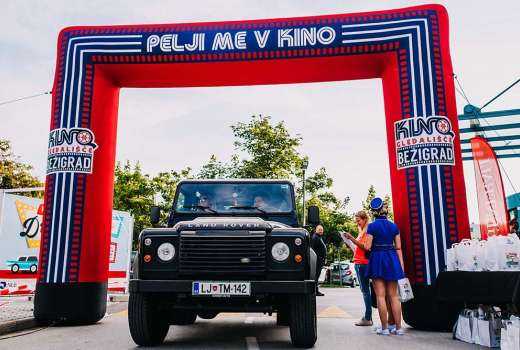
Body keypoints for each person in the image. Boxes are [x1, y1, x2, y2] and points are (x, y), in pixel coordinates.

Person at [364, 197, 405, 336]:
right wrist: (401, 265)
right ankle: (399, 328)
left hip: (377, 259)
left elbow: (368, 246)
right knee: (393, 296)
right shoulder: (394, 226)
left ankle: (385, 328)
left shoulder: (372, 226)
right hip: (392, 258)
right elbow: (398, 247)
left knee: (380, 296)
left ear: (374, 211)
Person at [343, 211, 372, 326]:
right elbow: (358, 248)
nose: (357, 223)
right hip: (360, 261)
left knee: (365, 291)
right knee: (366, 291)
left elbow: (365, 247)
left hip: (362, 263)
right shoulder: (362, 232)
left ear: (365, 219)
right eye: (356, 221)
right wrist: (349, 243)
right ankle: (368, 317)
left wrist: (351, 238)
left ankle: (367, 318)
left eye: (359, 220)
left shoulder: (367, 231)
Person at [311, 225, 327, 296]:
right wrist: (318, 259)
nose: (321, 231)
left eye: (322, 230)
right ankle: (315, 291)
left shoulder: (318, 237)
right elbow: (313, 250)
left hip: (320, 260)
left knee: (317, 276)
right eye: (319, 230)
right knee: (316, 276)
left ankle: (315, 291)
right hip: (317, 260)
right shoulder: (315, 238)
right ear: (316, 230)